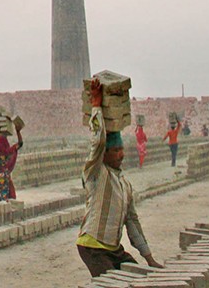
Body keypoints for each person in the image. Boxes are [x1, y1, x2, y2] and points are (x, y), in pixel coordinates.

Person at [77, 77, 163, 277]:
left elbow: (132, 222)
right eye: (115, 150)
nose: (121, 154)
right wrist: (96, 106)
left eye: (121, 150)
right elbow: (97, 143)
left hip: (113, 249)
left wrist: (149, 259)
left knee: (139, 277)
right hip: (92, 246)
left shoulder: (125, 186)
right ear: (104, 154)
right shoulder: (96, 173)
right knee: (113, 282)